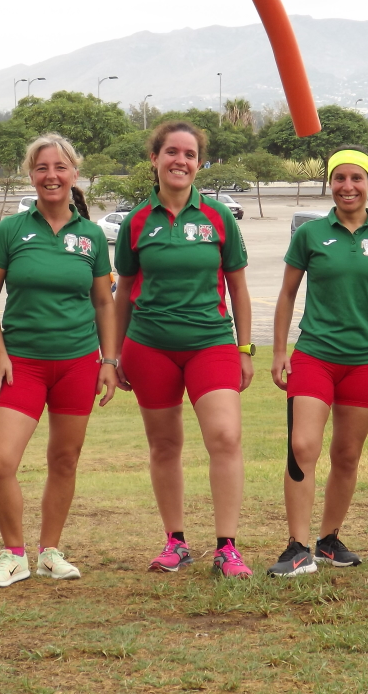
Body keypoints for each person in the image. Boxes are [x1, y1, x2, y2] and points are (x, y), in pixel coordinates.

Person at [114, 120, 255, 578]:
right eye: (171, 152)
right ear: (154, 158)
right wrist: (112, 356)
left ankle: (227, 547)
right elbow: (123, 292)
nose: (180, 160)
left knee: (225, 437)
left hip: (211, 343)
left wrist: (245, 348)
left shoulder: (218, 217)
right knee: (164, 445)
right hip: (149, 347)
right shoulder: (136, 221)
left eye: (190, 154)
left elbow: (238, 287)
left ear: (199, 163)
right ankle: (175, 542)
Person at [0, 134, 118, 588]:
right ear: (31, 175)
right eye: (42, 168)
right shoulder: (11, 231)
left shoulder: (91, 235)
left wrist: (109, 360)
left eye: (60, 167)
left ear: (74, 173)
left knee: (64, 460)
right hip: (23, 363)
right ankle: (14, 554)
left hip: (78, 363)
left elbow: (104, 303)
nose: (51, 175)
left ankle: (50, 552)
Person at [267, 147, 368, 577]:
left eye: (356, 178)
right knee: (302, 446)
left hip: (364, 362)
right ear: (330, 184)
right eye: (339, 178)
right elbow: (287, 294)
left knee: (347, 455)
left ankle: (328, 542)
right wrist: (279, 351)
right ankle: (297, 548)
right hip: (314, 356)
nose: (347, 186)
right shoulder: (310, 234)